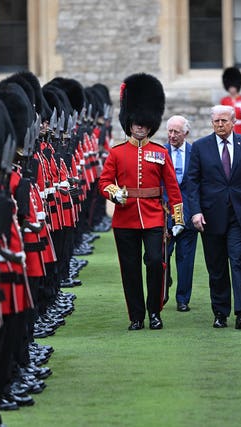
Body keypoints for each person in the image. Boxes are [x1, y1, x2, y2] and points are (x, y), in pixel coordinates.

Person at [99, 73, 184, 331]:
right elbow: (104, 182)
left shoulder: (159, 153)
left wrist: (177, 219)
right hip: (125, 219)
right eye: (136, 123)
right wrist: (116, 193)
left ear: (150, 125)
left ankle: (154, 312)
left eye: (144, 124)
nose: (139, 127)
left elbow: (172, 188)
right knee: (130, 268)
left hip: (153, 217)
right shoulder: (116, 153)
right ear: (130, 123)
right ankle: (136, 316)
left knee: (156, 263)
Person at [188, 104, 241, 329]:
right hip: (211, 216)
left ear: (233, 122)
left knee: (239, 261)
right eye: (216, 121)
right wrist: (196, 211)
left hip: (239, 215)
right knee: (217, 266)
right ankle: (220, 312)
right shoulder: (200, 147)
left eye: (224, 121)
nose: (220, 125)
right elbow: (192, 184)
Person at [164, 115, 198, 312]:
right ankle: (163, 287)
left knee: (186, 260)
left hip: (187, 214)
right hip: (165, 213)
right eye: (170, 131)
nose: (172, 135)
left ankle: (183, 298)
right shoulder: (160, 153)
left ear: (186, 133)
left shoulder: (195, 153)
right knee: (162, 257)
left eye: (176, 132)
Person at [220, 66, 241, 137]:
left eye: (233, 87)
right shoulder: (224, 100)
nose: (232, 90)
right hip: (228, 130)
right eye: (230, 87)